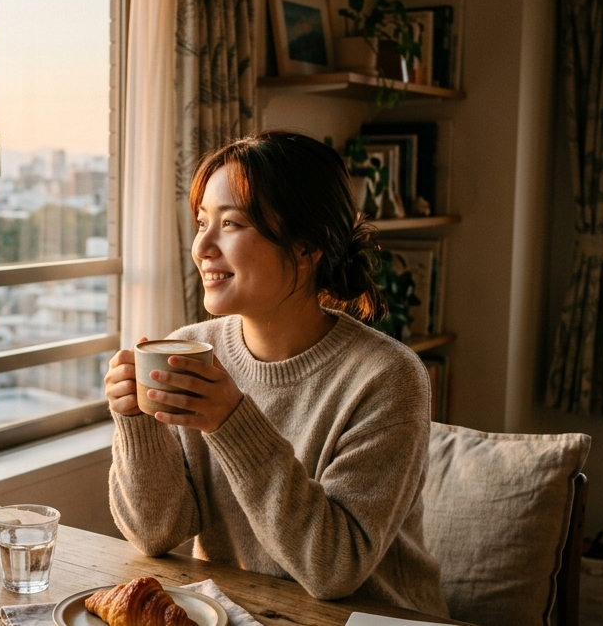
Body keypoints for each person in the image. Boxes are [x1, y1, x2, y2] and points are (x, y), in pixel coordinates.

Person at [103, 130, 448, 617]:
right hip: (239, 613)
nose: (202, 245)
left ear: (307, 246)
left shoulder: (387, 377)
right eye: (202, 222)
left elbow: (335, 570)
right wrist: (136, 420)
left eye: (231, 223)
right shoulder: (195, 349)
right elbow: (156, 533)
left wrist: (231, 422)